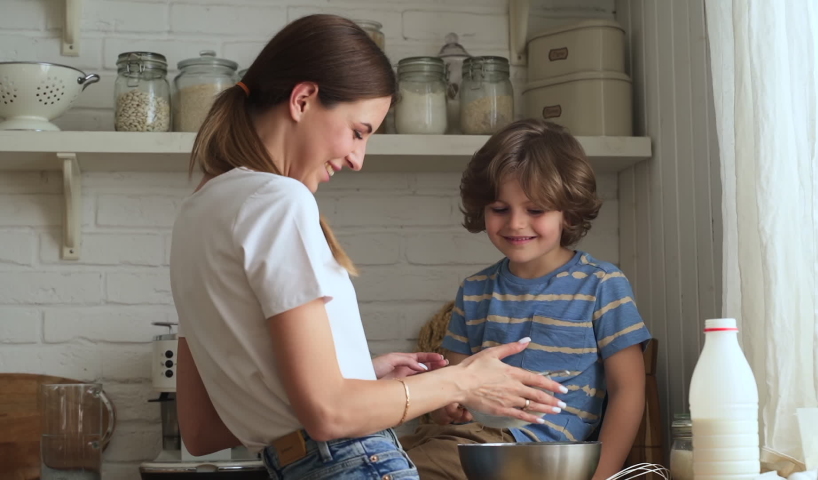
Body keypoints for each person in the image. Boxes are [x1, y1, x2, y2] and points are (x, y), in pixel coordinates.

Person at [168, 15, 568, 480]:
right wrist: (463, 380)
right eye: (358, 131)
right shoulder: (279, 199)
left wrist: (358, 375)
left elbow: (201, 430)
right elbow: (329, 416)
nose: (358, 159)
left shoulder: (195, 214)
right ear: (303, 99)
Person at [401, 119, 652, 480]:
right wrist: (451, 409)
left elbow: (628, 390)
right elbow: (453, 389)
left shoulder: (601, 285)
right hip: (465, 441)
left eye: (535, 210)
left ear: (568, 210)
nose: (516, 224)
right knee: (371, 454)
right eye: (500, 209)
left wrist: (602, 476)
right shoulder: (475, 290)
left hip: (535, 453)